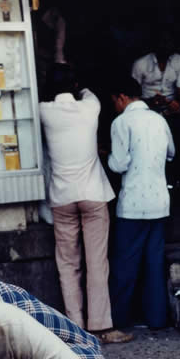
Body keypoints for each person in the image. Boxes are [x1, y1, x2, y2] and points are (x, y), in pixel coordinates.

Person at [39, 64, 132, 344]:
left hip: (62, 196)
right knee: (96, 263)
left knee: (68, 264)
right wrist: (78, 83)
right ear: (75, 85)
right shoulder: (90, 107)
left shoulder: (44, 111)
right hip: (92, 194)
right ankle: (102, 327)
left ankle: (75, 328)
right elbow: (89, 92)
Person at [107, 75, 175, 330]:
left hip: (133, 204)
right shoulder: (159, 119)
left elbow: (120, 163)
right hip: (159, 201)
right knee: (154, 264)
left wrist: (107, 157)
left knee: (125, 264)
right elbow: (171, 153)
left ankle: (121, 320)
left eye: (115, 101)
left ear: (122, 98)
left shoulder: (121, 122)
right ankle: (157, 319)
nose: (115, 105)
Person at [130, 34, 180, 114]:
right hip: (146, 106)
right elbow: (133, 94)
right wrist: (150, 101)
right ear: (155, 44)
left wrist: (175, 103)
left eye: (169, 42)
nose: (166, 45)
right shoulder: (140, 63)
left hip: (171, 107)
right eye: (162, 42)